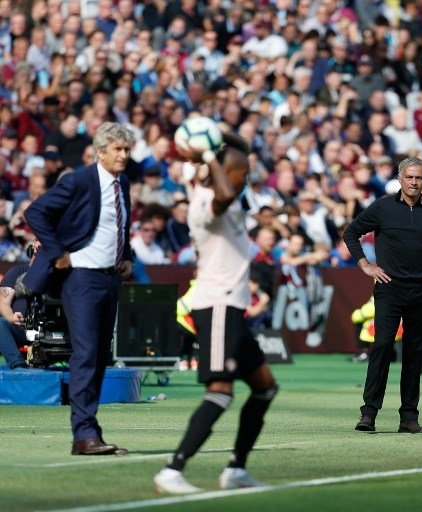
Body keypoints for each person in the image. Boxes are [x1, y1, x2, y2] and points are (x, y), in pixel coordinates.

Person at [153, 132, 278, 494]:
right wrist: (209, 154)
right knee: (220, 392)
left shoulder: (227, 196)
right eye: (240, 173)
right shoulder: (205, 201)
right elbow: (223, 191)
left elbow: (238, 155)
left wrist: (218, 135)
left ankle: (236, 469)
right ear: (220, 172)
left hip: (233, 307)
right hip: (217, 304)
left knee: (265, 387)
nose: (245, 179)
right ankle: (172, 471)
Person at [21, 122, 135, 456]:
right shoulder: (80, 180)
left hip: (110, 278)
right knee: (85, 354)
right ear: (100, 151)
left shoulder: (122, 182)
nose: (124, 155)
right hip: (81, 278)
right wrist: (58, 253)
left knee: (100, 355)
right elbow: (35, 211)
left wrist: (126, 257)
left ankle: (90, 431)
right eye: (118, 149)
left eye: (127, 149)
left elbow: (121, 226)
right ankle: (83, 434)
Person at [343, 157, 422, 434]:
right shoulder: (383, 207)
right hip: (389, 288)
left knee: (415, 352)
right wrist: (366, 265)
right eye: (409, 177)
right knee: (383, 346)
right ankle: (369, 414)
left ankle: (408, 417)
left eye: (418, 178)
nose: (413, 182)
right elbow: (351, 233)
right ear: (400, 178)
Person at [0, 240, 43, 370]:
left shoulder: (59, 276)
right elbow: (2, 302)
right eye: (35, 250)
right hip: (20, 329)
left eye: (42, 251)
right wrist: (11, 316)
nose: (36, 254)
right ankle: (18, 366)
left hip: (51, 330)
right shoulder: (16, 272)